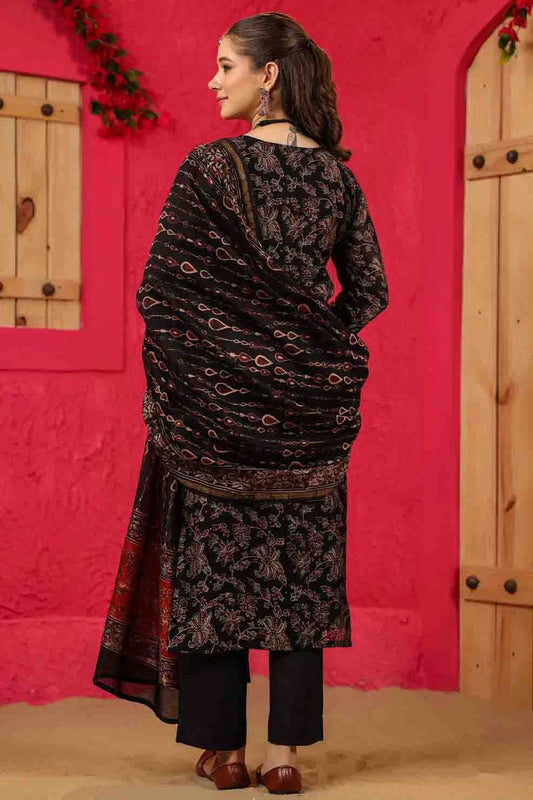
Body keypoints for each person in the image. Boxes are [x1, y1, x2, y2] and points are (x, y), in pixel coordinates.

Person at [92, 10, 389, 795]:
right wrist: (307, 352)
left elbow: (162, 290)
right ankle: (285, 755)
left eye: (226, 65)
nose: (212, 81)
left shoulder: (209, 167)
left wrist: (218, 365)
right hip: (308, 419)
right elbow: (369, 290)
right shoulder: (337, 178)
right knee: (298, 582)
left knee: (213, 577)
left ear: (269, 75)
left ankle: (223, 752)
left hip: (212, 415)